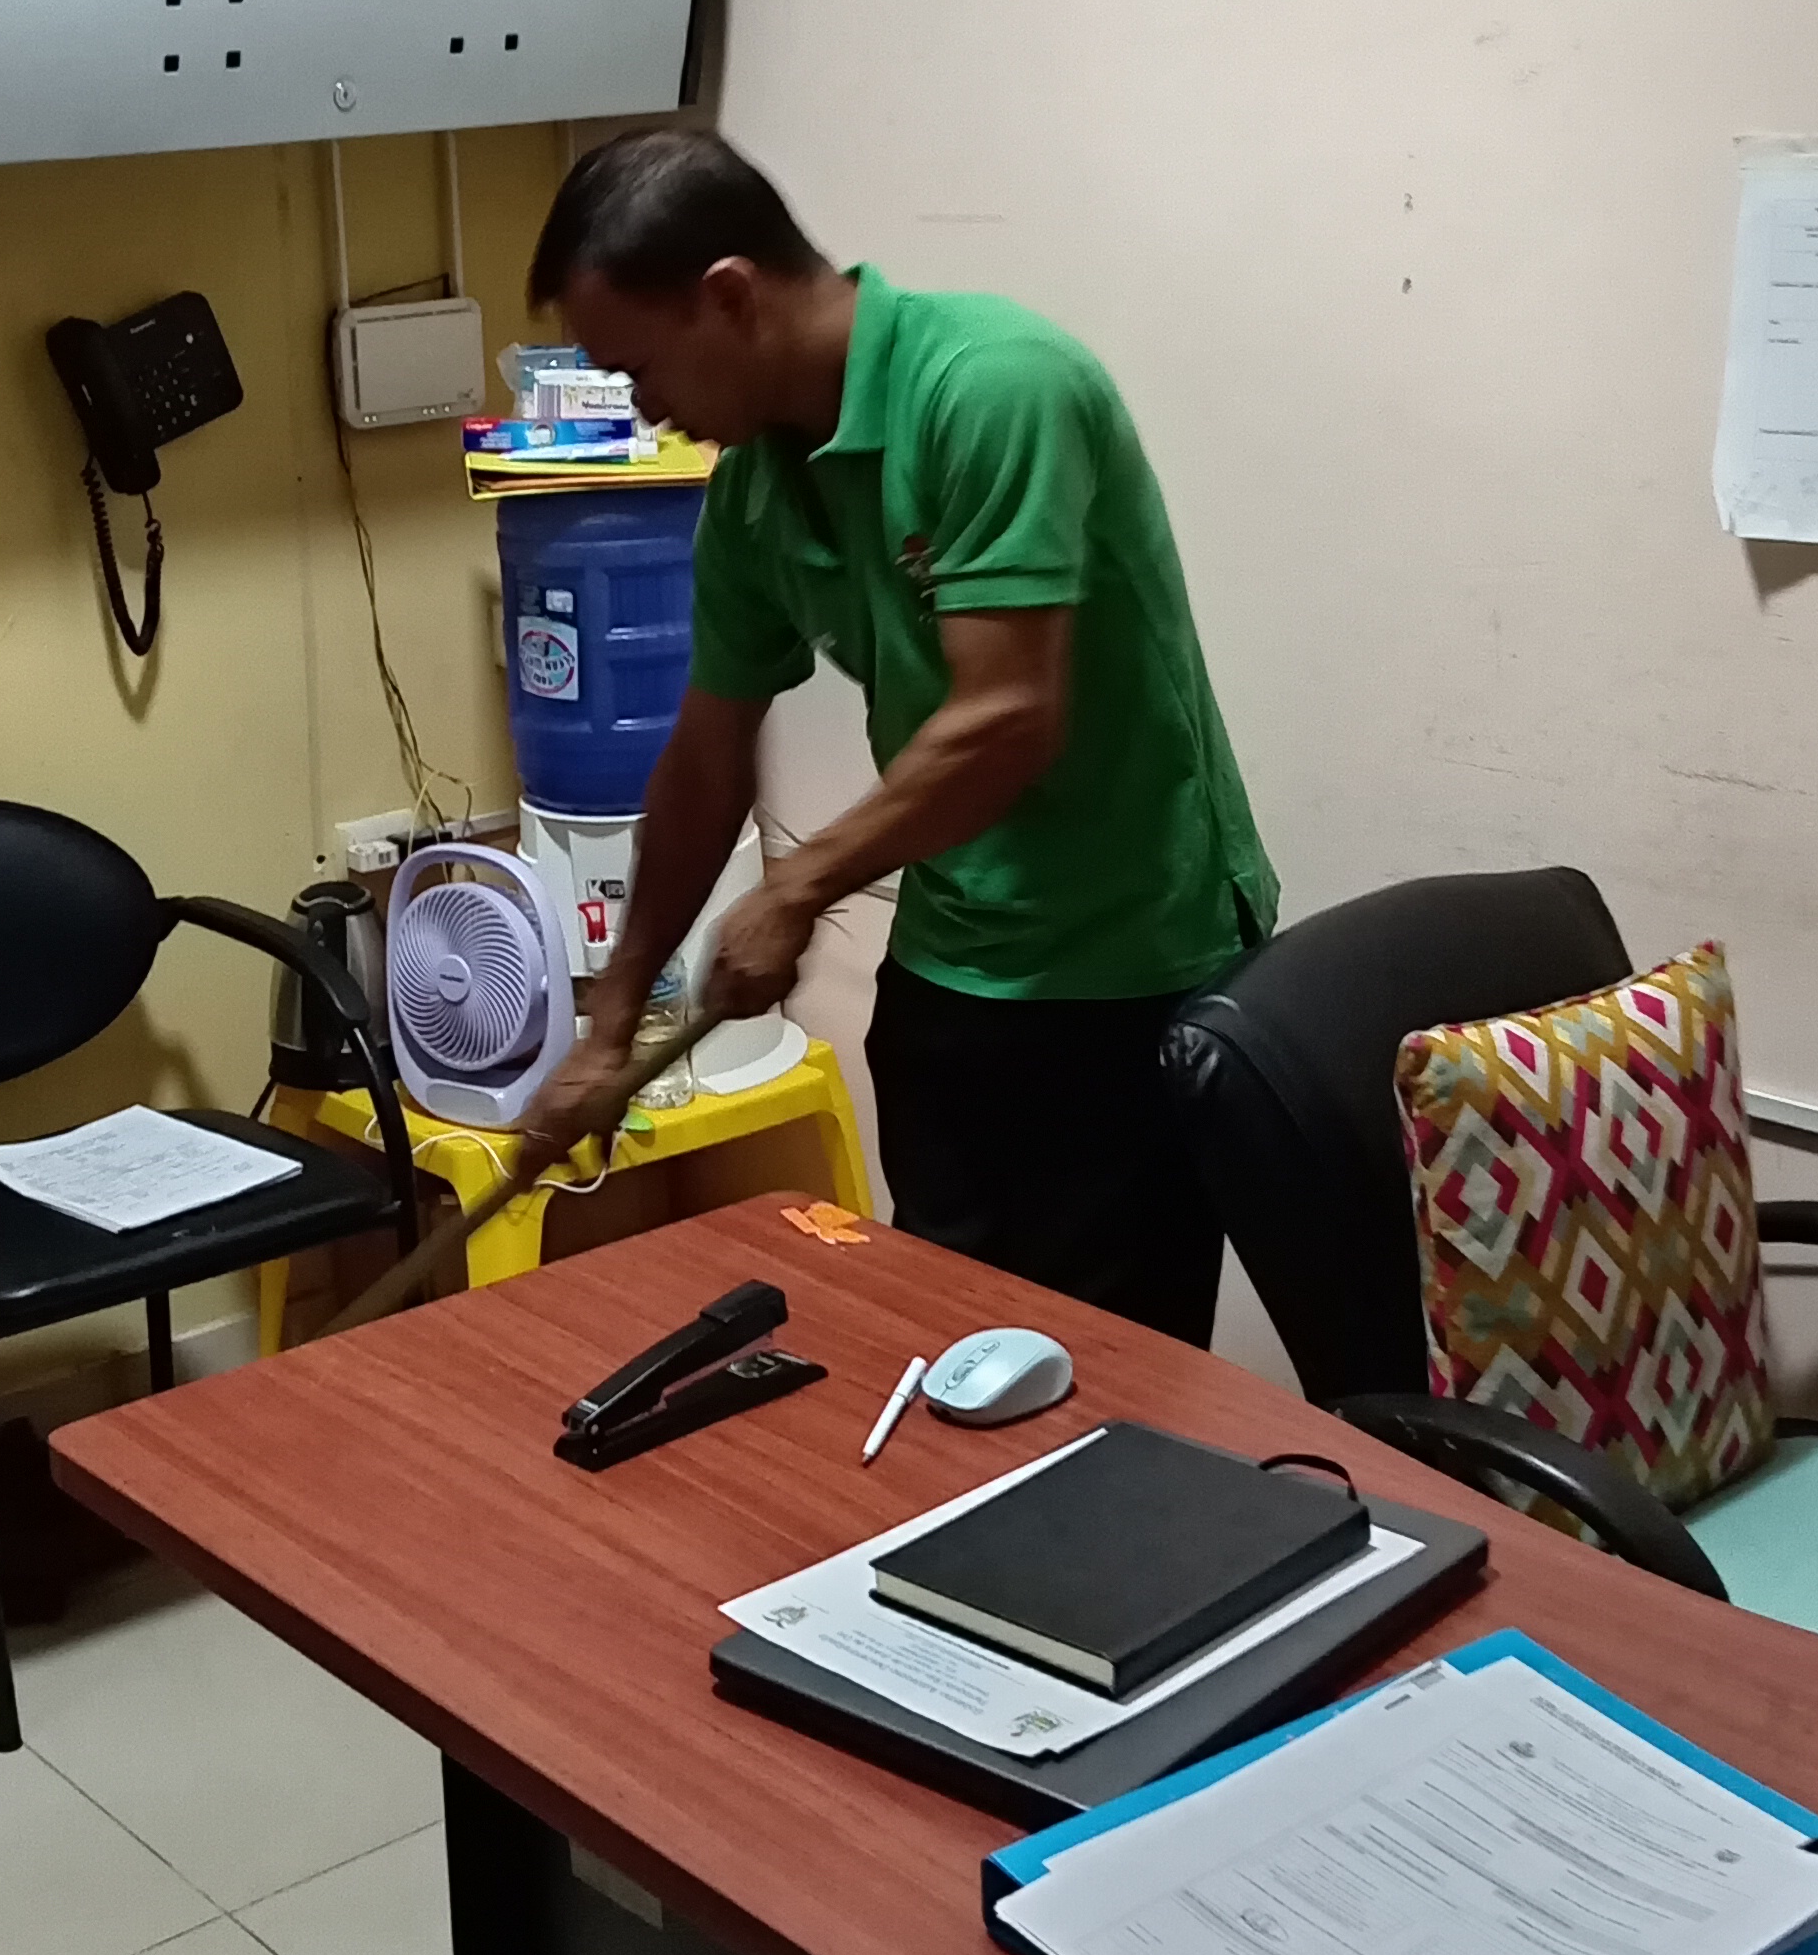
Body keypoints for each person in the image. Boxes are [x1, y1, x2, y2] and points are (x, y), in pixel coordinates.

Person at [511, 129, 1275, 1344]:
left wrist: (796, 886)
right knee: (940, 1342)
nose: (645, 410)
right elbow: (705, 756)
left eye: (638, 369)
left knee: (1112, 1375)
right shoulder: (754, 491)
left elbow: (1008, 716)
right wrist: (609, 1032)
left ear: (728, 296)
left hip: (1132, 961)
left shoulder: (992, 389)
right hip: (952, 958)